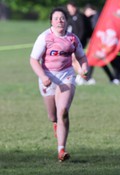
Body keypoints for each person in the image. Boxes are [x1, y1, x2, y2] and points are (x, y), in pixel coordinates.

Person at [30, 7, 88, 162]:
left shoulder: (72, 39)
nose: (59, 21)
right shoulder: (44, 37)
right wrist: (43, 76)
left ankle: (61, 150)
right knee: (53, 116)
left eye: (62, 18)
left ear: (66, 20)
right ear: (51, 21)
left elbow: (81, 57)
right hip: (47, 77)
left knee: (62, 111)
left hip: (66, 76)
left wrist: (84, 68)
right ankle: (56, 124)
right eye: (56, 18)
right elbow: (33, 60)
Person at [82, 4, 118, 84]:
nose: (86, 13)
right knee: (96, 60)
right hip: (94, 43)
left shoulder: (96, 16)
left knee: (95, 60)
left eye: (86, 11)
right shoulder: (89, 18)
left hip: (100, 43)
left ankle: (88, 78)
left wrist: (95, 13)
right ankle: (112, 79)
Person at [66, 1, 95, 85]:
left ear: (74, 7)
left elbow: (82, 31)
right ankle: (84, 77)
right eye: (68, 8)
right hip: (72, 42)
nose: (69, 10)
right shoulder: (71, 18)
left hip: (79, 42)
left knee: (75, 59)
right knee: (73, 60)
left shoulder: (80, 17)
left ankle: (86, 77)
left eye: (70, 8)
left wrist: (77, 42)